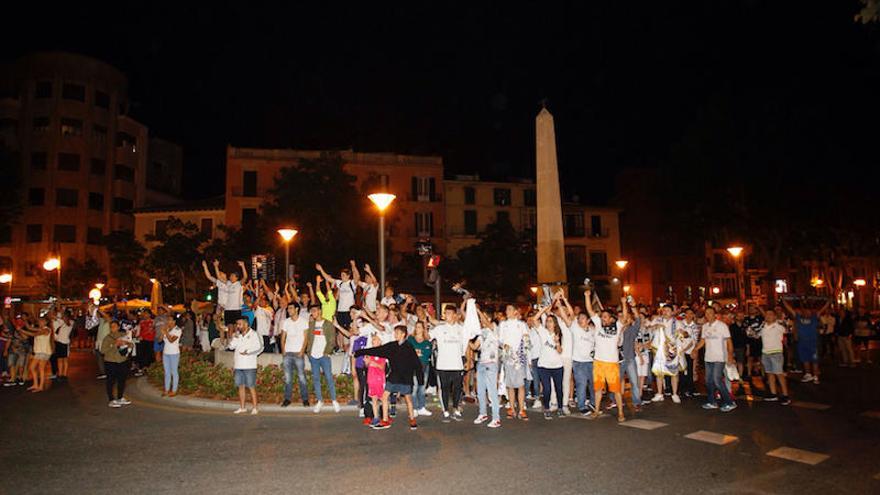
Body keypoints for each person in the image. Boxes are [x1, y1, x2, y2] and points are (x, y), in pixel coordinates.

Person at [354, 324, 425, 430]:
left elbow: (417, 363)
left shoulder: (409, 347)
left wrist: (420, 380)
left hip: (405, 378)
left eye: (397, 333)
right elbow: (378, 350)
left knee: (408, 399)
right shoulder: (392, 346)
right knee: (384, 396)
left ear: (403, 334)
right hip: (394, 377)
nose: (395, 334)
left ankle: (412, 419)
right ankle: (385, 420)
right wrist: (361, 352)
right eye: (394, 332)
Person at [584, 290, 626, 422]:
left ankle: (620, 413)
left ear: (611, 318)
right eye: (602, 316)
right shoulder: (598, 325)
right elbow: (590, 311)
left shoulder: (617, 327)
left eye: (606, 317)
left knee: (616, 390)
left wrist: (624, 304)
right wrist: (587, 296)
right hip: (598, 362)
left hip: (612, 363)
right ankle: (596, 411)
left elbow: (624, 318)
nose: (603, 318)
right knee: (597, 389)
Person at [691, 306, 736, 412]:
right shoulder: (705, 326)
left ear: (715, 314)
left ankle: (729, 402)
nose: (708, 315)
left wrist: (730, 355)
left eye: (710, 313)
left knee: (717, 380)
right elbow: (703, 340)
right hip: (709, 357)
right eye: (706, 313)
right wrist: (695, 349)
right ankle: (712, 401)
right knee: (708, 381)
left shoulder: (722, 326)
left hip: (719, 357)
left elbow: (729, 341)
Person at [429, 305, 467, 422]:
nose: (446, 315)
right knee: (444, 388)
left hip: (457, 365)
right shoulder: (439, 329)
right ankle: (445, 410)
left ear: (455, 315)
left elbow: (468, 343)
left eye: (449, 313)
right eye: (445, 313)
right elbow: (428, 337)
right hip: (443, 365)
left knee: (457, 388)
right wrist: (426, 318)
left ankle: (455, 408)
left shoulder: (461, 329)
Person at [305, 305, 344, 413]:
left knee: (329, 378)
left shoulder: (327, 324)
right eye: (311, 311)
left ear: (320, 311)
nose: (312, 313)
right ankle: (320, 400)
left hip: (324, 356)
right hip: (313, 356)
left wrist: (327, 352)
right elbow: (308, 339)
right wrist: (309, 353)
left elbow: (332, 339)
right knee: (316, 378)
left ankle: (334, 400)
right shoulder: (311, 325)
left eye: (314, 310)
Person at [783, 298, 830, 384]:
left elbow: (823, 308)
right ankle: (808, 374)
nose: (807, 312)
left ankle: (816, 376)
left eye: (808, 311)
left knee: (814, 360)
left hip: (813, 343)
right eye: (805, 310)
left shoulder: (814, 317)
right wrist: (784, 301)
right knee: (805, 360)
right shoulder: (798, 318)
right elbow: (789, 309)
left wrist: (828, 301)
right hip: (802, 343)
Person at [533, 301, 566, 420]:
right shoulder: (542, 332)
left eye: (551, 321)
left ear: (555, 323)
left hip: (557, 366)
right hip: (543, 366)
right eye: (547, 321)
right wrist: (544, 309)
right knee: (547, 389)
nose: (548, 323)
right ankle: (546, 408)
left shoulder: (559, 334)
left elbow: (560, 351)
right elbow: (534, 319)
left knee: (559, 389)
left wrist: (557, 342)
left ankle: (560, 408)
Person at [471, 305, 502, 428]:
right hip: (482, 363)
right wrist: (467, 339)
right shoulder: (481, 332)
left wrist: (477, 310)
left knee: (492, 391)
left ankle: (496, 418)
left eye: (482, 318)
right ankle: (483, 413)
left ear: (487, 318)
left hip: (491, 363)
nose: (480, 321)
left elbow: (485, 322)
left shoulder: (494, 328)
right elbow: (475, 347)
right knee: (480, 390)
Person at [498, 304, 531, 420]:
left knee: (521, 385)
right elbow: (500, 340)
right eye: (507, 309)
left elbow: (526, 341)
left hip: (519, 358)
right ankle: (511, 408)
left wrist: (527, 358)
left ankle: (522, 409)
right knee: (510, 384)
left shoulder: (521, 325)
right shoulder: (503, 325)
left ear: (516, 311)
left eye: (510, 309)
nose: (507, 311)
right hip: (508, 357)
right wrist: (505, 347)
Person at [227, 317, 263, 415]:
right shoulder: (237, 335)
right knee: (241, 386)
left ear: (246, 324)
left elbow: (260, 347)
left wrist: (248, 352)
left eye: (240, 324)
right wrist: (234, 337)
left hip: (249, 365)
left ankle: (255, 407)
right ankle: (242, 407)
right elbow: (230, 346)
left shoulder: (254, 334)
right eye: (237, 324)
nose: (238, 326)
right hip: (238, 365)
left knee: (251, 386)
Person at [756, 308, 791, 405]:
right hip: (765, 353)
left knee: (779, 374)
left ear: (775, 316)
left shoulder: (779, 325)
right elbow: (755, 335)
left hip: (776, 353)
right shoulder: (763, 326)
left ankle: (785, 395)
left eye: (770, 314)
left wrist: (783, 320)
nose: (768, 316)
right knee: (769, 373)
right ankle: (773, 394)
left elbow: (788, 329)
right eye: (766, 314)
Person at [280, 304, 310, 408]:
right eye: (288, 308)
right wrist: (283, 350)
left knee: (302, 377)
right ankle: (287, 399)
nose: (288, 310)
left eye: (291, 308)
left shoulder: (304, 321)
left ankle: (305, 399)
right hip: (287, 354)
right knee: (288, 378)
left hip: (298, 353)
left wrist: (302, 351)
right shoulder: (286, 322)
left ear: (297, 309)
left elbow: (306, 338)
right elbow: (282, 337)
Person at [202, 260, 247, 325]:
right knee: (219, 324)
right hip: (221, 306)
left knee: (231, 326)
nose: (219, 275)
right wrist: (205, 267)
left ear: (225, 275)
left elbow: (244, 279)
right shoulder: (220, 283)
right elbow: (209, 277)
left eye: (221, 274)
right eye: (219, 274)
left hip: (229, 307)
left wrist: (243, 266)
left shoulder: (232, 284)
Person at [101, 320, 133, 408]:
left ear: (118, 327)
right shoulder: (107, 338)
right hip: (110, 361)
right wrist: (114, 345)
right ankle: (111, 399)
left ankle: (120, 397)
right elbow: (103, 350)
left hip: (122, 361)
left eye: (115, 326)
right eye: (111, 327)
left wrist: (128, 344)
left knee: (122, 380)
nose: (113, 328)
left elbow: (131, 345)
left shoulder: (123, 335)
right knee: (110, 381)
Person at [570, 310, 596, 415]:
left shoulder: (592, 330)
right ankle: (582, 406)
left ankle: (593, 403)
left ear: (588, 320)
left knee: (593, 384)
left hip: (591, 361)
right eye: (579, 318)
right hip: (578, 362)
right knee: (582, 384)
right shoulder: (575, 328)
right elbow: (571, 315)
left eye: (583, 318)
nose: (580, 320)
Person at [407, 320, 433, 417]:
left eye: (419, 327)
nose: (417, 329)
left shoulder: (427, 342)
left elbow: (426, 355)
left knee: (422, 388)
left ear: (423, 329)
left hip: (424, 367)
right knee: (414, 388)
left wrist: (416, 353)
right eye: (416, 327)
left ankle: (421, 407)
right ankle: (414, 408)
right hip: (413, 367)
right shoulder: (410, 339)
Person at [21, 317, 53, 392]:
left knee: (40, 368)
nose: (39, 322)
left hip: (44, 352)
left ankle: (40, 386)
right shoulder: (40, 329)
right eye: (39, 321)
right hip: (39, 351)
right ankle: (35, 384)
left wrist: (21, 330)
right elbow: (29, 328)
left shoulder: (47, 329)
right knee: (32, 368)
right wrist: (25, 320)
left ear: (46, 322)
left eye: (41, 321)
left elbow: (33, 334)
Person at [160, 317, 183, 397]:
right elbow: (160, 340)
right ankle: (166, 389)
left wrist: (166, 332)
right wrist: (162, 332)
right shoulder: (168, 329)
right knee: (167, 372)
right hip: (165, 353)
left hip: (174, 353)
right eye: (168, 320)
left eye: (170, 320)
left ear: (174, 321)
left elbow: (171, 340)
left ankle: (174, 390)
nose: (168, 321)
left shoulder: (177, 330)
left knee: (174, 372)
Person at [52, 311, 73, 380]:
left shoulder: (70, 322)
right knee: (60, 359)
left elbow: (55, 317)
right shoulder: (62, 322)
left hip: (65, 343)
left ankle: (64, 374)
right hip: (59, 342)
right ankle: (60, 374)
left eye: (64, 316)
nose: (62, 317)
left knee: (65, 359)